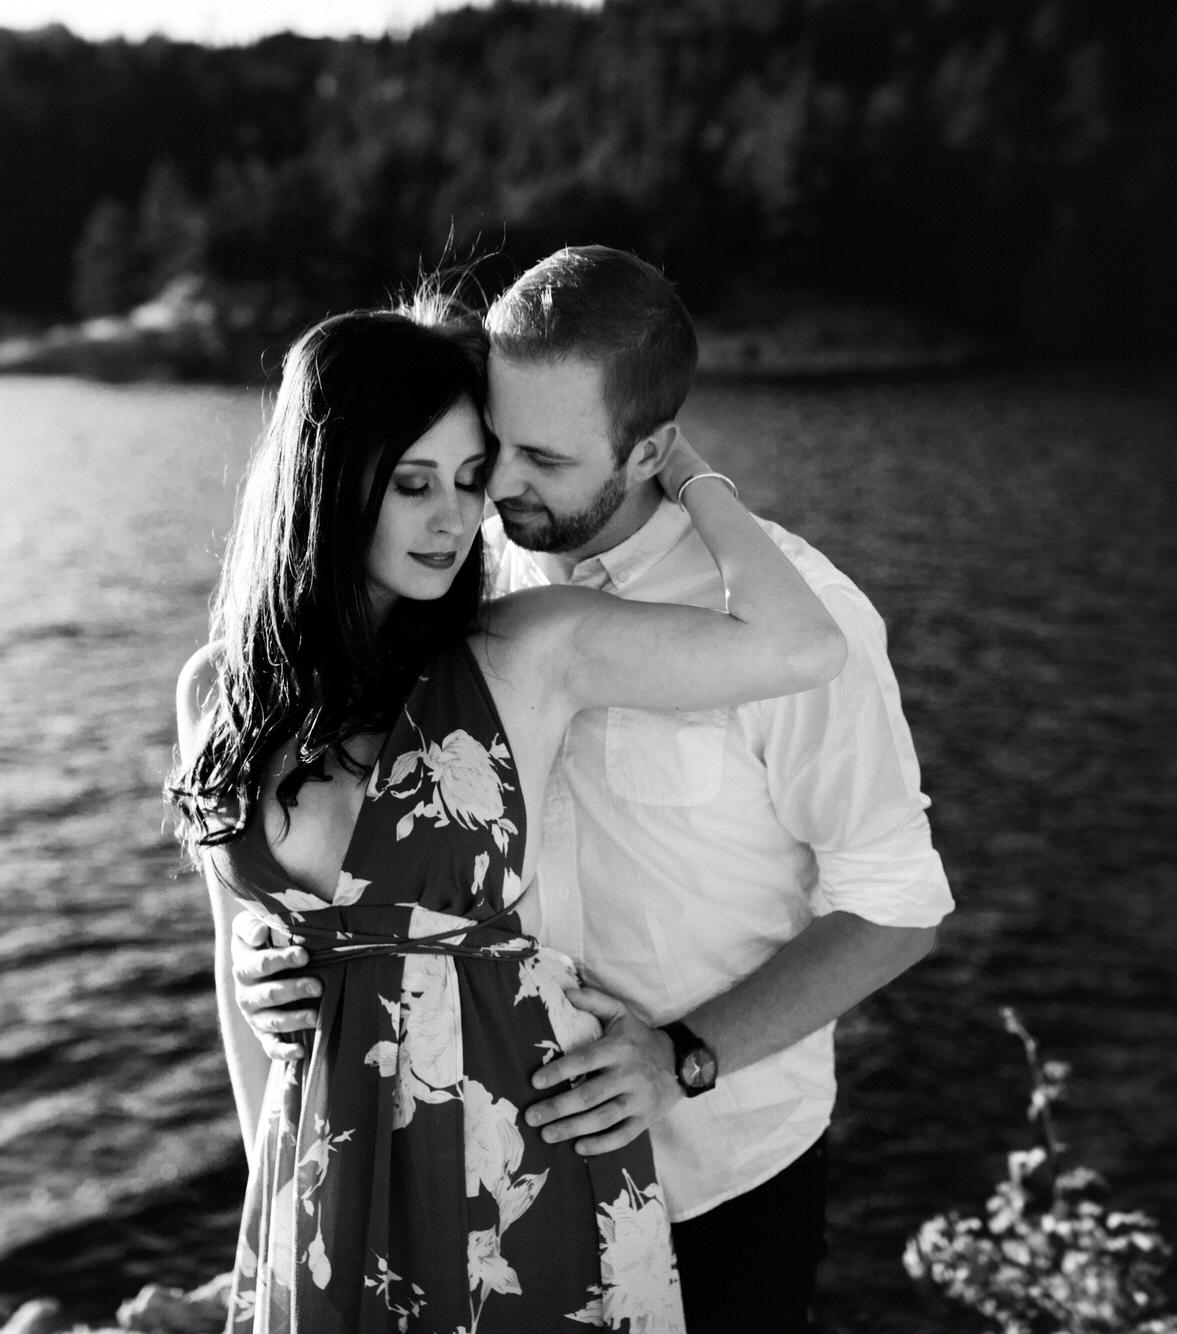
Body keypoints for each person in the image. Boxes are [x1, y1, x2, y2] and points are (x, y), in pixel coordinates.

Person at [228, 247, 954, 1333]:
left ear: (648, 448)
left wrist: (683, 1056)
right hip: (490, 1173)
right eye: (493, 446)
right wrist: (291, 954)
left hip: (715, 1174)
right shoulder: (462, 577)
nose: (493, 490)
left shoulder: (787, 610)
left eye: (542, 458)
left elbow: (897, 907)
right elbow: (360, 827)